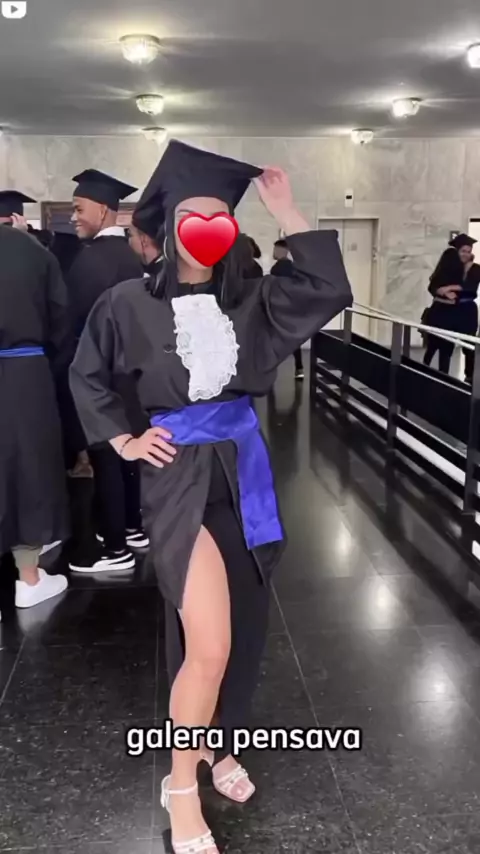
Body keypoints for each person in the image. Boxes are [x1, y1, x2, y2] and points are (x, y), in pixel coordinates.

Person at [69, 140, 352, 854]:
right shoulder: (126, 302)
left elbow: (325, 290)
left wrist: (288, 211)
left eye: (221, 216)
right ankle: (180, 784)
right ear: (168, 226)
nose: (207, 227)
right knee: (209, 643)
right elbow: (87, 375)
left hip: (242, 469)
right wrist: (124, 440)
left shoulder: (252, 300)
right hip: (178, 479)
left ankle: (219, 745)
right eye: (193, 216)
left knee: (246, 629)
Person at [66, 169, 148, 572]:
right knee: (128, 454)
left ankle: (115, 548)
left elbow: (74, 324)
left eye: (79, 208)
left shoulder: (91, 261)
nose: (73, 217)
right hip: (131, 376)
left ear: (102, 210)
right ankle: (133, 527)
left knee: (106, 458)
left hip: (100, 375)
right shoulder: (131, 257)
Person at [0, 192, 69, 619]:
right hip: (26, 373)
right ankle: (28, 579)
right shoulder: (34, 252)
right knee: (27, 471)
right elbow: (61, 322)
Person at [423, 234, 480, 382]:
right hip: (448, 311)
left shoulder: (474, 268)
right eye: (463, 251)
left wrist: (449, 288)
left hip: (467, 312)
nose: (466, 255)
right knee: (444, 345)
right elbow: (433, 286)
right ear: (457, 251)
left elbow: (470, 289)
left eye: (468, 251)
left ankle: (469, 377)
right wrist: (441, 292)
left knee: (468, 345)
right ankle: (441, 377)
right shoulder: (450, 265)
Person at [270, 238, 305, 379]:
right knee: (294, 339)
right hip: (293, 307)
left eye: (275, 249)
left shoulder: (276, 269)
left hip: (279, 308)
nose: (274, 252)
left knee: (273, 338)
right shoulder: (295, 268)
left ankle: (271, 369)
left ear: (282, 250)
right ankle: (299, 368)